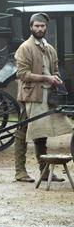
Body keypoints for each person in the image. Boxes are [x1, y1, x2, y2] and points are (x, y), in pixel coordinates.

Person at [14, 12, 72, 182]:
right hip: (30, 95)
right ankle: (20, 171)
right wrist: (46, 78)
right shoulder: (25, 47)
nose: (39, 29)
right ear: (31, 27)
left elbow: (54, 69)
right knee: (22, 132)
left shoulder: (50, 48)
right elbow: (22, 74)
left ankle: (45, 171)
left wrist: (56, 78)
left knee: (41, 133)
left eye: (42, 26)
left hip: (47, 96)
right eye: (36, 26)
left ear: (46, 27)